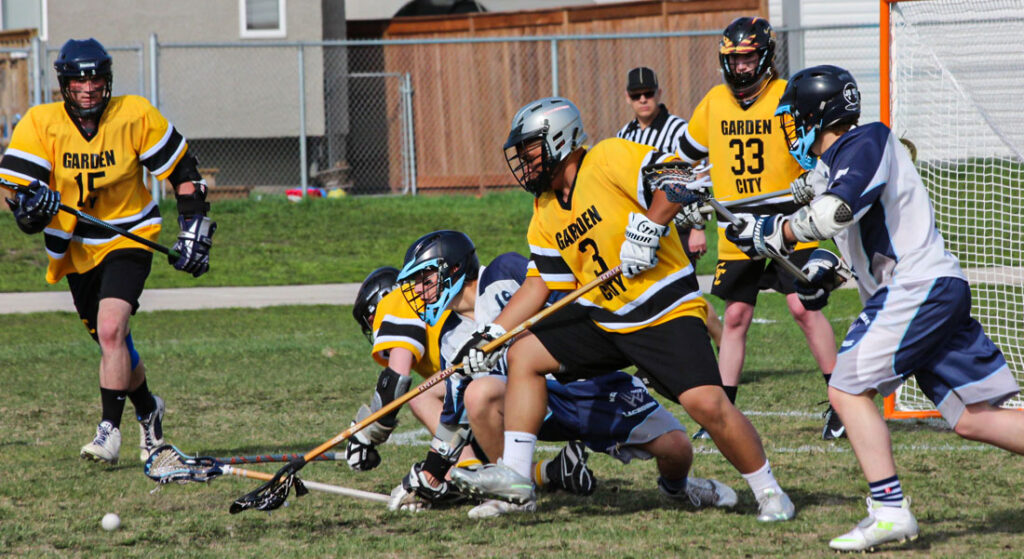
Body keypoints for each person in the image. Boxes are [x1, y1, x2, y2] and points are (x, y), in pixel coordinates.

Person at [448, 96, 794, 522]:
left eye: (531, 149)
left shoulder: (609, 157)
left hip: (662, 308)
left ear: (560, 138)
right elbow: (541, 283)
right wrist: (492, 332)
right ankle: (517, 479)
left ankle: (769, 493)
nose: (525, 162)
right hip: (605, 318)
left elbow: (681, 178)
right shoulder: (544, 209)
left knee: (707, 405)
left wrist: (650, 224)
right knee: (523, 354)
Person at [730, 64, 1024, 552]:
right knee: (973, 416)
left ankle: (890, 511)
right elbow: (858, 239)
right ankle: (889, 511)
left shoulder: (864, 141)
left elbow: (836, 212)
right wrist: (823, 273)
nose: (789, 129)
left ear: (817, 115)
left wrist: (775, 233)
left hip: (917, 288)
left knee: (846, 388)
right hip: (929, 288)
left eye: (793, 118)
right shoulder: (841, 162)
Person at [387, 230, 735, 518]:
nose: (418, 291)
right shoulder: (449, 336)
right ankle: (511, 491)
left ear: (454, 268)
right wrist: (430, 474)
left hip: (587, 387)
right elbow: (454, 413)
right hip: (535, 405)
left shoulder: (504, 272)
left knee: (677, 449)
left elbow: (566, 299)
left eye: (424, 279)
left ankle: (679, 490)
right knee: (478, 393)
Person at [0, 38, 215, 465]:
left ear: (108, 80)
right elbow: (15, 196)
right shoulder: (42, 122)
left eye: (95, 77)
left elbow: (185, 172)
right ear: (64, 83)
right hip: (75, 245)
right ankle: (148, 408)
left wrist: (192, 229)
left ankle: (108, 433)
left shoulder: (133, 114)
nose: (88, 86)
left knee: (113, 328)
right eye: (78, 79)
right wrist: (30, 209)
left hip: (128, 235)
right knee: (111, 344)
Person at [673, 17, 841, 440]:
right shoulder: (714, 102)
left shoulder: (787, 96)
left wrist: (815, 179)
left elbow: (820, 149)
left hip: (787, 219)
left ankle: (841, 403)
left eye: (747, 58)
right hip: (736, 222)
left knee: (804, 307)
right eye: (734, 59)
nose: (741, 67)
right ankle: (721, 414)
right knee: (735, 316)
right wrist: (686, 195)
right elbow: (686, 156)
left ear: (764, 57)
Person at [615, 66, 723, 349]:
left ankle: (723, 342)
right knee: (656, 293)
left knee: (681, 294)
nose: (643, 100)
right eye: (636, 95)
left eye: (648, 93)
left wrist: (699, 228)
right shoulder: (623, 135)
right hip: (644, 228)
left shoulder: (679, 129)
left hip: (679, 225)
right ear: (627, 97)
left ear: (658, 93)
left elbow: (698, 174)